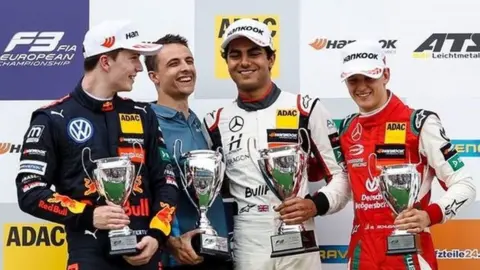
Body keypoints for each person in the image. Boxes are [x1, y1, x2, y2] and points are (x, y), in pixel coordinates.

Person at [15, 20, 179, 270]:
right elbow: (30, 190)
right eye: (133, 58)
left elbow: (166, 181)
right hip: (90, 257)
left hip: (145, 251)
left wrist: (157, 235)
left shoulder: (143, 114)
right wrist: (87, 214)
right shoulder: (52, 118)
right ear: (105, 61)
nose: (139, 67)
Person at [202, 18, 350, 270]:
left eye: (254, 53)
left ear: (270, 59)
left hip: (300, 237)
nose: (245, 62)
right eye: (235, 55)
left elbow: (342, 177)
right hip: (248, 242)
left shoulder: (305, 108)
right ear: (227, 62)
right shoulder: (214, 122)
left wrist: (315, 205)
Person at [333, 40, 476, 269]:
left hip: (409, 253)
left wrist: (430, 215)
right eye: (353, 80)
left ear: (386, 75)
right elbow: (342, 186)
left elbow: (465, 184)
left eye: (369, 77)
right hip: (363, 253)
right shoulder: (347, 129)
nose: (361, 87)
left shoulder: (418, 123)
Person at [145, 34, 231, 270]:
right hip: (178, 257)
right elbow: (140, 198)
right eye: (173, 64)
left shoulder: (204, 125)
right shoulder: (147, 123)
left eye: (188, 61)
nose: (185, 68)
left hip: (219, 252)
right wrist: (169, 243)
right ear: (154, 76)